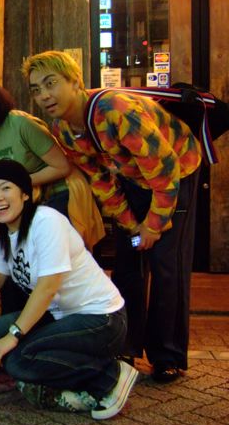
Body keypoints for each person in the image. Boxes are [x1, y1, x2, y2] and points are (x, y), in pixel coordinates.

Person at [22, 51, 202, 383]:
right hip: (132, 179)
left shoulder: (117, 111)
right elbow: (100, 179)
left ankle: (167, 355)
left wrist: (153, 226)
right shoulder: (62, 129)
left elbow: (165, 172)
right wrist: (132, 226)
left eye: (51, 83)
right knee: (129, 261)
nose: (44, 95)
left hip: (176, 172)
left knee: (166, 263)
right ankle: (126, 345)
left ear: (75, 81)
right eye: (36, 89)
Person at [0, 159, 136, 420]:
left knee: (19, 360)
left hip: (102, 319)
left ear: (25, 194)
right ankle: (59, 370)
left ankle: (109, 375)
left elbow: (48, 287)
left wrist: (15, 335)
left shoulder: (46, 221)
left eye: (6, 188)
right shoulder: (7, 233)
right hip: (63, 316)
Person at [0, 66, 104, 314]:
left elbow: (62, 166)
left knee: (55, 272)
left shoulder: (20, 124)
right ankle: (10, 320)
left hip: (58, 194)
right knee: (12, 268)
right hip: (23, 202)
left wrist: (19, 182)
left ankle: (76, 318)